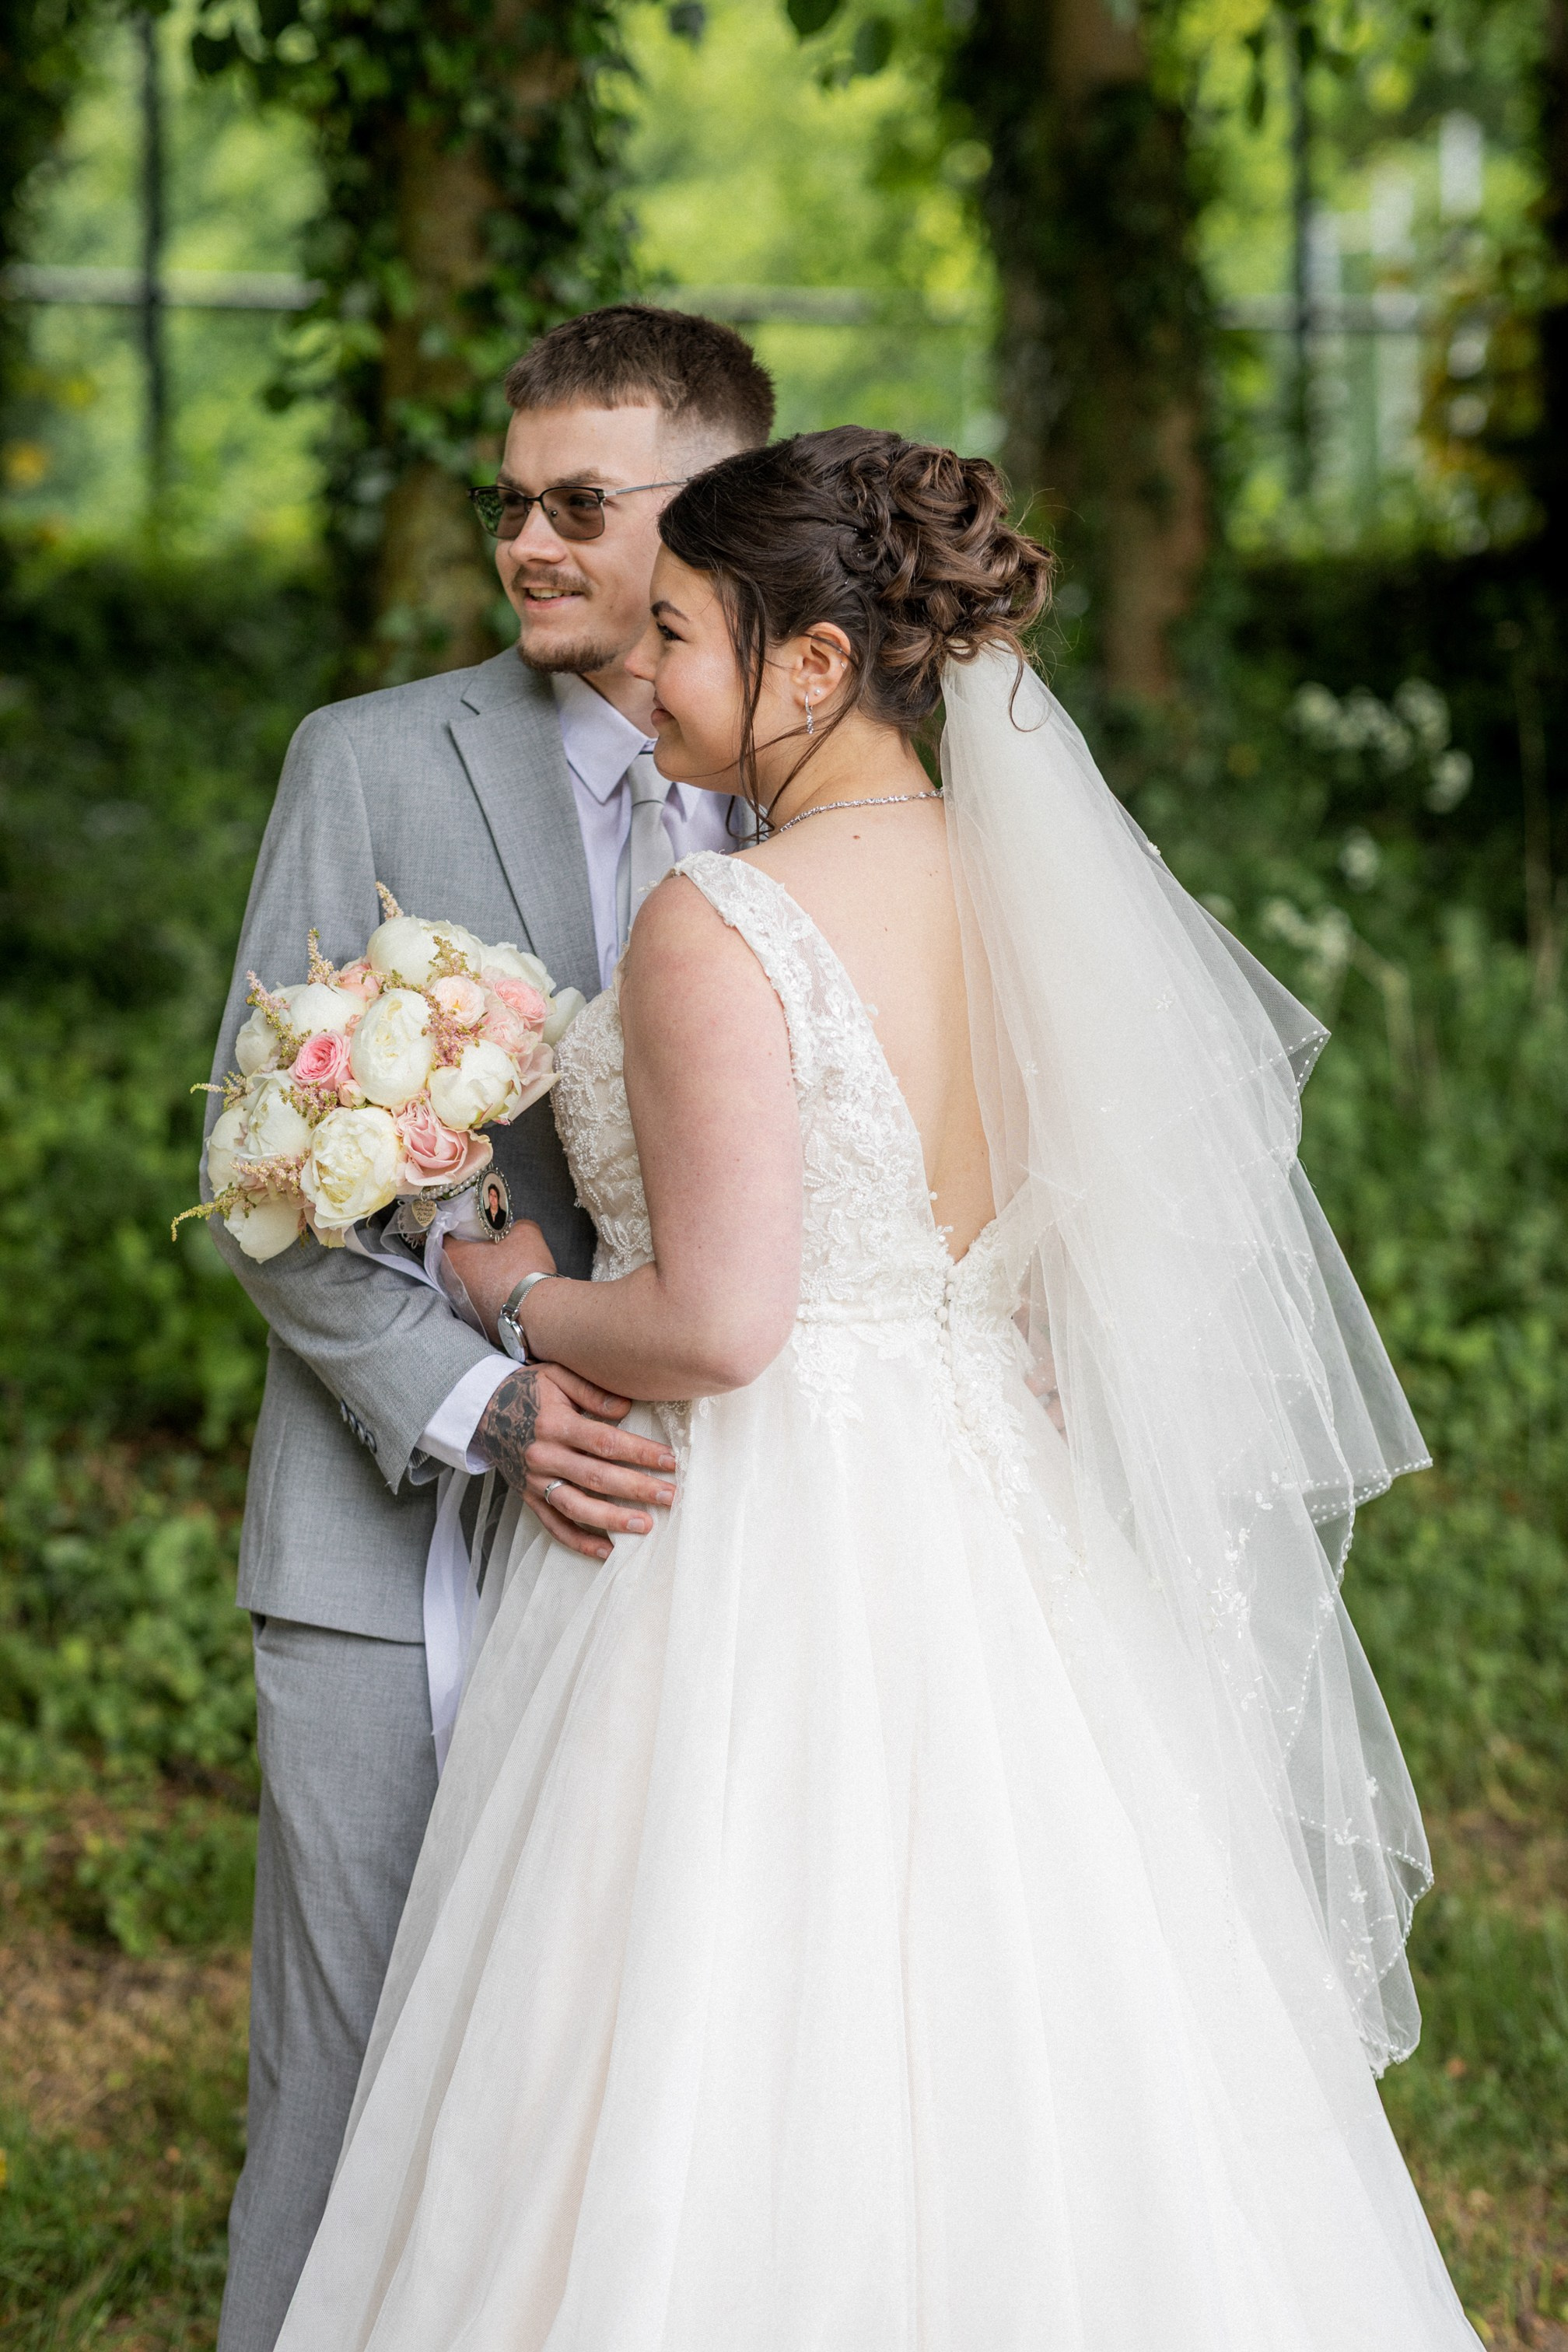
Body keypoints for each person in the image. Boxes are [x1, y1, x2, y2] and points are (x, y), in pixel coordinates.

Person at [274, 428, 1480, 2348]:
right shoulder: (1011, 891)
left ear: (816, 663)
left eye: (680, 633)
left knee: (710, 1992)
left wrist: (519, 1294)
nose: (641, 671)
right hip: (984, 1497)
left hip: (749, 1525)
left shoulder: (722, 920)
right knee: (1038, 1985)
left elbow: (722, 1324)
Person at [205, 306, 776, 2352]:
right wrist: (487, 1407)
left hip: (717, 1561)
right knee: (349, 2085)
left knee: (652, 2096)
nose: (525, 543)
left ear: (712, 509)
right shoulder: (368, 761)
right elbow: (260, 1172)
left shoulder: (815, 787)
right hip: (397, 1544)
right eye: (505, 502)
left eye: (578, 505)